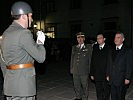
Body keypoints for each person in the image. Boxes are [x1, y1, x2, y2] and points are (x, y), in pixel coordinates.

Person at [0, 1, 46, 100]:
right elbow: (41, 58)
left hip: (10, 86)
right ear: (24, 16)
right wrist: (40, 43)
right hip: (24, 88)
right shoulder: (24, 33)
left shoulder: (5, 34)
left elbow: (2, 62)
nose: (32, 19)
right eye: (30, 16)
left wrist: (10, 79)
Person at [106, 32, 133, 100]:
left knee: (120, 97)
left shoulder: (128, 51)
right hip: (112, 78)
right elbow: (109, 64)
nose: (116, 39)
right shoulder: (111, 50)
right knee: (113, 97)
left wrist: (128, 78)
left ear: (123, 39)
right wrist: (107, 74)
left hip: (121, 79)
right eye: (115, 37)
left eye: (118, 37)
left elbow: (129, 65)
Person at [70, 32, 92, 100]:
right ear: (77, 39)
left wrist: (90, 70)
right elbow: (72, 59)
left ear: (84, 39)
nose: (80, 39)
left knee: (84, 86)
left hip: (84, 71)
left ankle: (85, 98)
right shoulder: (74, 47)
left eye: (81, 37)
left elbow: (90, 59)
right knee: (76, 85)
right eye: (78, 37)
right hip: (75, 70)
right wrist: (71, 69)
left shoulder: (88, 47)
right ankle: (78, 97)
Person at [90, 33, 110, 100]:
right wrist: (92, 73)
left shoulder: (109, 48)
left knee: (106, 91)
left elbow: (110, 62)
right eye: (97, 38)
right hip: (97, 74)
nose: (98, 39)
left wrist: (109, 74)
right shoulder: (95, 48)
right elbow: (92, 61)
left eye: (100, 38)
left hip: (105, 75)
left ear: (104, 39)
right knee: (98, 91)